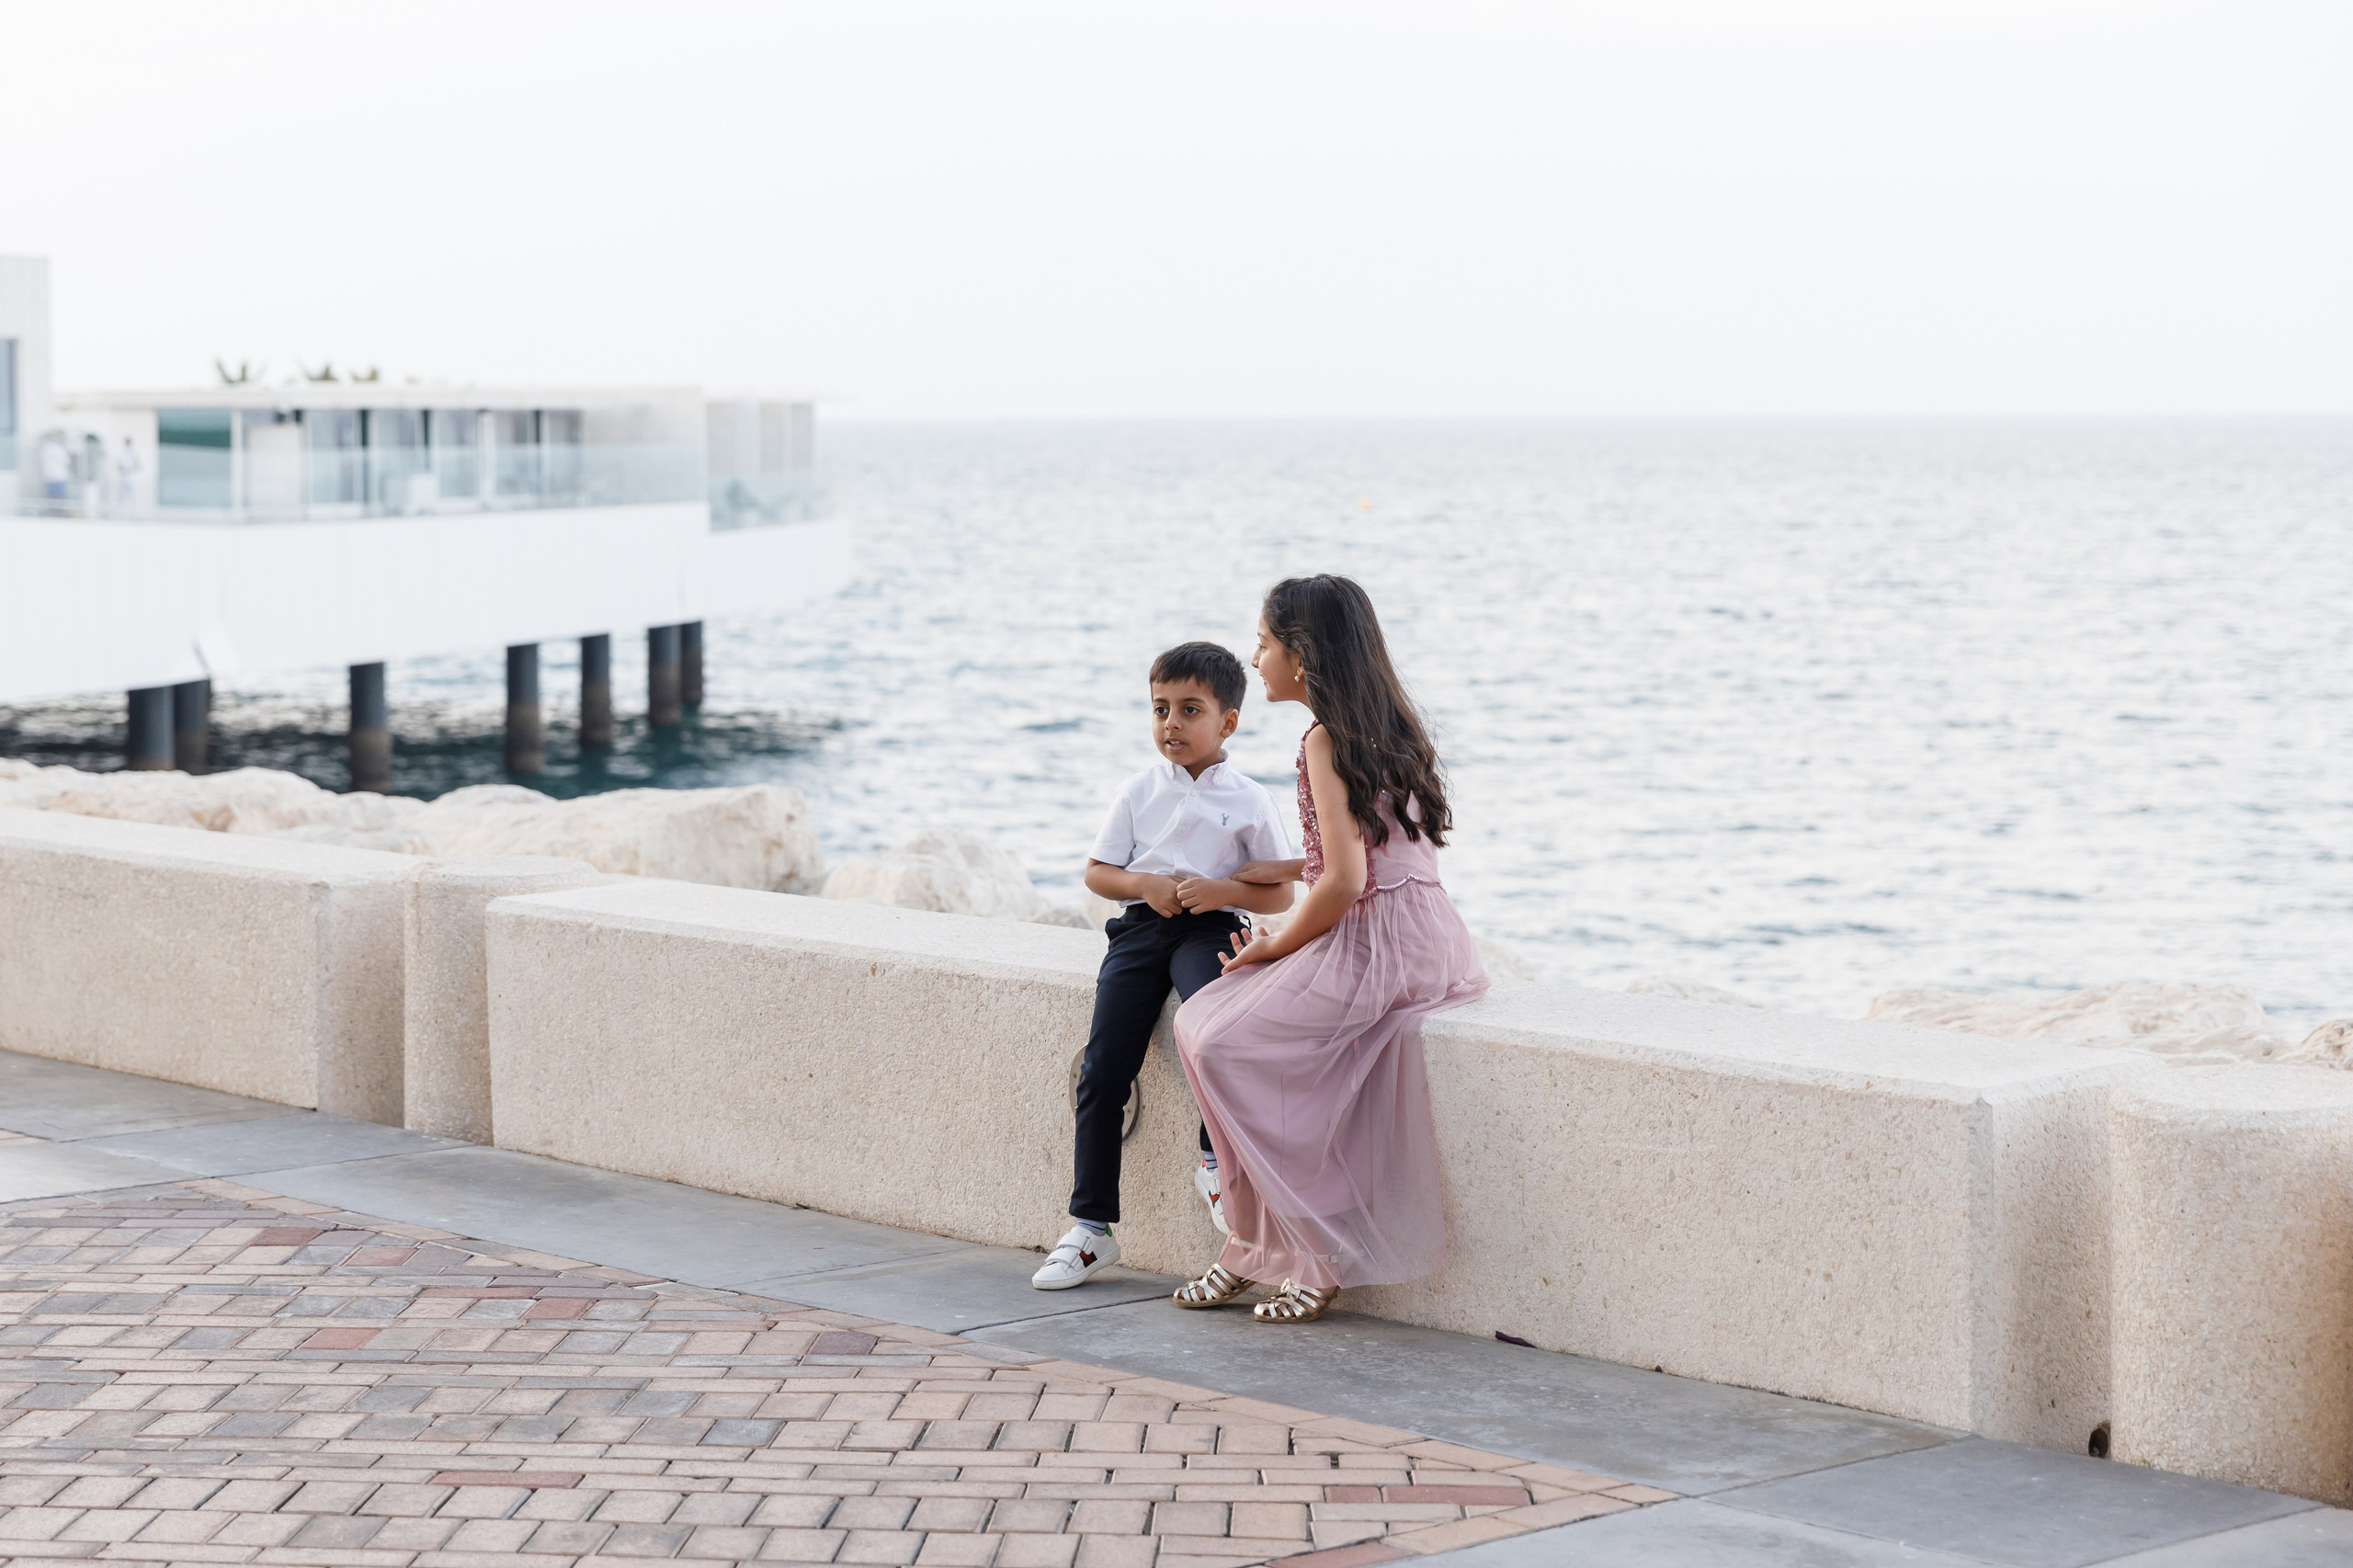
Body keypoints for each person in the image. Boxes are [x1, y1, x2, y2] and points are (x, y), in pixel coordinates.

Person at [1169, 575, 1488, 1324]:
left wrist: (1272, 947)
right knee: (1204, 1027)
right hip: (1428, 935)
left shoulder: (1322, 738)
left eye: (1265, 642)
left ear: (1302, 658)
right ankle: (1250, 1245)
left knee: (1213, 1036)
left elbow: (1345, 881)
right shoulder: (1393, 723)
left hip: (1373, 939)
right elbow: (1353, 860)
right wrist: (1278, 886)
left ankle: (1311, 1247)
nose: (1255, 656)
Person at [1031, 642, 1295, 1290]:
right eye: (1159, 709)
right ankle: (1091, 1229)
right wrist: (1144, 886)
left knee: (1213, 1038)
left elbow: (1280, 892)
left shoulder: (1250, 800)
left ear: (1227, 722)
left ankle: (1214, 1162)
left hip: (1209, 929)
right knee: (1102, 1070)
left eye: (1189, 709)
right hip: (1141, 932)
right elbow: (1098, 873)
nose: (1170, 724)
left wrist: (1224, 892)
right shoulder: (1136, 791)